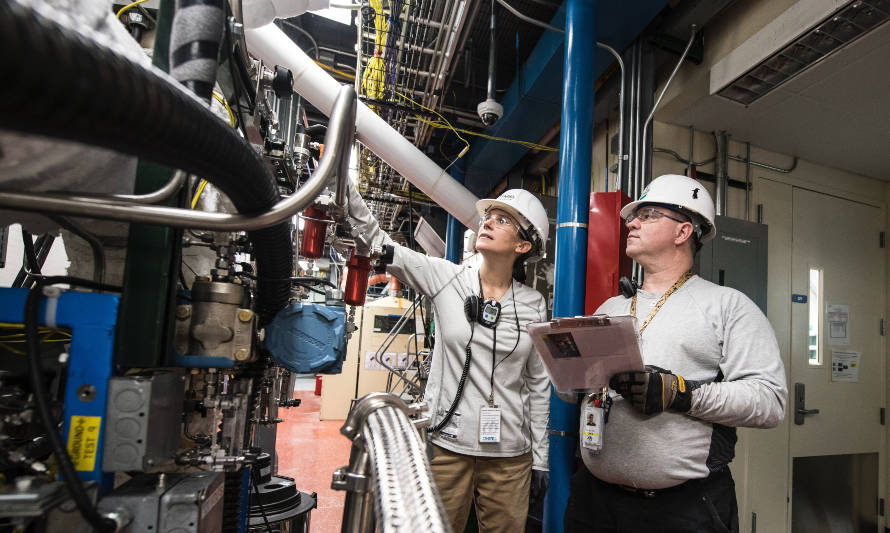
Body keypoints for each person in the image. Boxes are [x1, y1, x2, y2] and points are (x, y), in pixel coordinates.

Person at [563, 174, 787, 533]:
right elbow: (576, 390)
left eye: (648, 215)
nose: (632, 223)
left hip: (683, 511)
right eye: (634, 217)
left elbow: (769, 401)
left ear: (683, 232)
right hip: (594, 502)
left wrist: (679, 393)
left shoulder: (727, 306)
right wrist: (571, 380)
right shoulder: (610, 307)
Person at [347, 183, 552, 533]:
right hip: (447, 449)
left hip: (510, 458)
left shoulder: (533, 304)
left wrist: (541, 459)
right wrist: (344, 191)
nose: (487, 222)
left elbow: (537, 383)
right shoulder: (446, 278)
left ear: (523, 245)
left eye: (502, 220)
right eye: (489, 216)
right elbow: (380, 243)